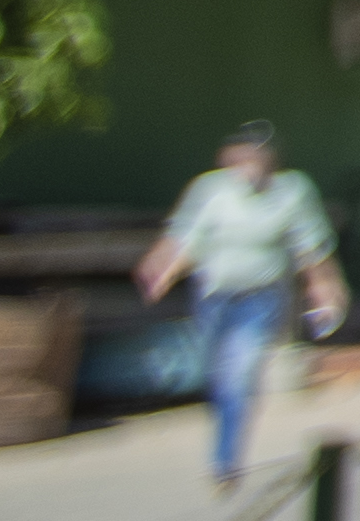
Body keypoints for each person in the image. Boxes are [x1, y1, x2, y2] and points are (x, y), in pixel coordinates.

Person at [137, 120, 345, 494]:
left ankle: (224, 463)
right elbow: (184, 237)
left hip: (260, 298)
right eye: (245, 156)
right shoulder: (211, 190)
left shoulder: (291, 192)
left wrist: (324, 288)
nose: (251, 165)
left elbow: (311, 249)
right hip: (214, 296)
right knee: (214, 375)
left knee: (239, 374)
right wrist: (161, 268)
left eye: (260, 157)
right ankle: (225, 444)